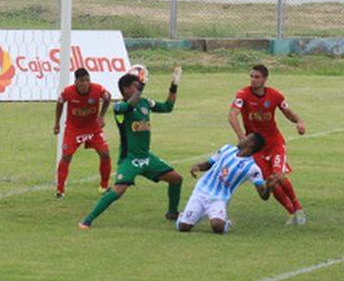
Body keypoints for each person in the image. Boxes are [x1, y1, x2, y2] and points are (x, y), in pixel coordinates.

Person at [78, 68, 184, 229]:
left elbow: (168, 107)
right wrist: (141, 86)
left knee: (176, 179)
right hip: (130, 158)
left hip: (146, 157)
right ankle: (87, 220)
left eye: (138, 86)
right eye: (135, 86)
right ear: (126, 89)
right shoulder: (119, 107)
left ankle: (172, 212)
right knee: (119, 190)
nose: (139, 88)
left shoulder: (145, 103)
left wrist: (174, 85)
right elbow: (130, 105)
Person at [228, 64, 308, 225]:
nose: (253, 80)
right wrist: (242, 137)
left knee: (278, 175)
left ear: (265, 79)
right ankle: (291, 212)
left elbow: (287, 112)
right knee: (269, 180)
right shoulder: (243, 94)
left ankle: (298, 208)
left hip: (274, 143)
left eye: (257, 77)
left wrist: (299, 121)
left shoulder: (275, 95)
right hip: (256, 146)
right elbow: (232, 115)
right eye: (251, 76)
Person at [177, 134, 281, 235]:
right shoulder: (226, 149)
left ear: (251, 144)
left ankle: (225, 222)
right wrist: (197, 167)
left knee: (217, 227)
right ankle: (187, 215)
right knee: (183, 227)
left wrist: (268, 186)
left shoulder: (252, 168)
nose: (242, 138)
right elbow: (209, 164)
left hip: (219, 199)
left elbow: (264, 196)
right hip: (200, 191)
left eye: (246, 138)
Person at [53, 68, 112, 197]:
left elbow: (108, 97)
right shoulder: (68, 92)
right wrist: (57, 123)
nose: (85, 83)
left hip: (93, 128)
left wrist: (101, 116)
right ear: (76, 82)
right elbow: (59, 103)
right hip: (74, 129)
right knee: (66, 156)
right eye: (82, 81)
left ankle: (104, 186)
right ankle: (60, 189)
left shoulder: (97, 89)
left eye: (87, 80)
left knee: (105, 154)